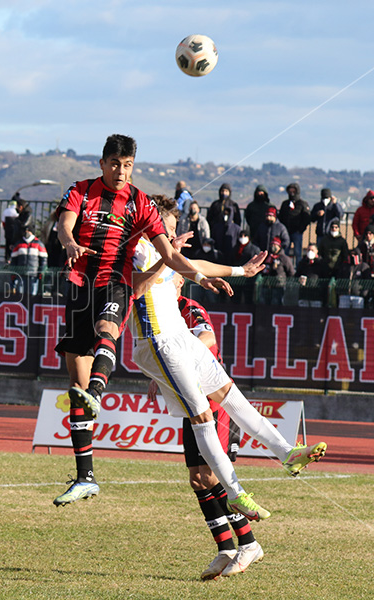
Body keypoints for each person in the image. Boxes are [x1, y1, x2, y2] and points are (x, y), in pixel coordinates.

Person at [51, 134, 251, 507]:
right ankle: (85, 476)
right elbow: (65, 224)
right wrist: (70, 243)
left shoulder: (140, 202)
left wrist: (200, 278)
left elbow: (170, 254)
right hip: (79, 285)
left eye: (127, 165)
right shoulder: (79, 190)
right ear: (102, 163)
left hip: (116, 281)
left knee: (107, 330)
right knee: (74, 386)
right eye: (114, 163)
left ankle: (98, 391)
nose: (120, 171)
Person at [130, 197, 327, 529]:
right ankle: (235, 492)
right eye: (167, 229)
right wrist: (169, 257)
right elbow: (135, 288)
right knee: (202, 415)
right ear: (151, 225)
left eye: (174, 231)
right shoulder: (135, 249)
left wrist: (241, 271)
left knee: (231, 395)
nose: (171, 236)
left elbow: (197, 264)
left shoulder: (165, 254)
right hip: (157, 341)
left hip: (180, 338)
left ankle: (287, 454)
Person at [165, 287, 262, 579]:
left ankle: (249, 543)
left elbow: (209, 338)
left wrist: (179, 359)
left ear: (178, 284)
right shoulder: (156, 314)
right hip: (190, 405)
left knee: (210, 477)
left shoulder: (188, 308)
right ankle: (225, 549)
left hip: (213, 405)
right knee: (197, 480)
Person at [353, 225, 374, 308]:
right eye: (367, 234)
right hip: (364, 276)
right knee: (365, 294)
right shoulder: (362, 245)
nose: (368, 235)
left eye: (370, 233)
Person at [9, 221, 47, 296]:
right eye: (25, 230)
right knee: (20, 295)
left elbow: (44, 260)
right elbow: (13, 260)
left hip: (34, 274)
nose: (26, 232)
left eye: (28, 230)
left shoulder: (38, 244)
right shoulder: (19, 244)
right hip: (21, 274)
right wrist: (13, 273)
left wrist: (41, 271)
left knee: (32, 295)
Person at [278, 182, 311, 263]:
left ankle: (298, 269)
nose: (292, 193)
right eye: (290, 191)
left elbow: (306, 218)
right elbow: (281, 216)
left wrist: (301, 229)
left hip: (297, 232)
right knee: (285, 252)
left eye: (293, 191)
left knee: (297, 252)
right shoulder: (285, 204)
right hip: (286, 232)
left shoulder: (302, 204)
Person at [260, 236, 294, 305]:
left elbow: (291, 272)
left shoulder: (284, 258)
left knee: (276, 302)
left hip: (278, 286)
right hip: (266, 285)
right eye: (272, 245)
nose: (273, 247)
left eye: (275, 245)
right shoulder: (267, 257)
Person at [1, 198, 20, 262]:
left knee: (8, 244)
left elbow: (3, 222)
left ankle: (7, 258)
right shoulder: (17, 212)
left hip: (8, 230)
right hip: (16, 231)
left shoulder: (6, 211)